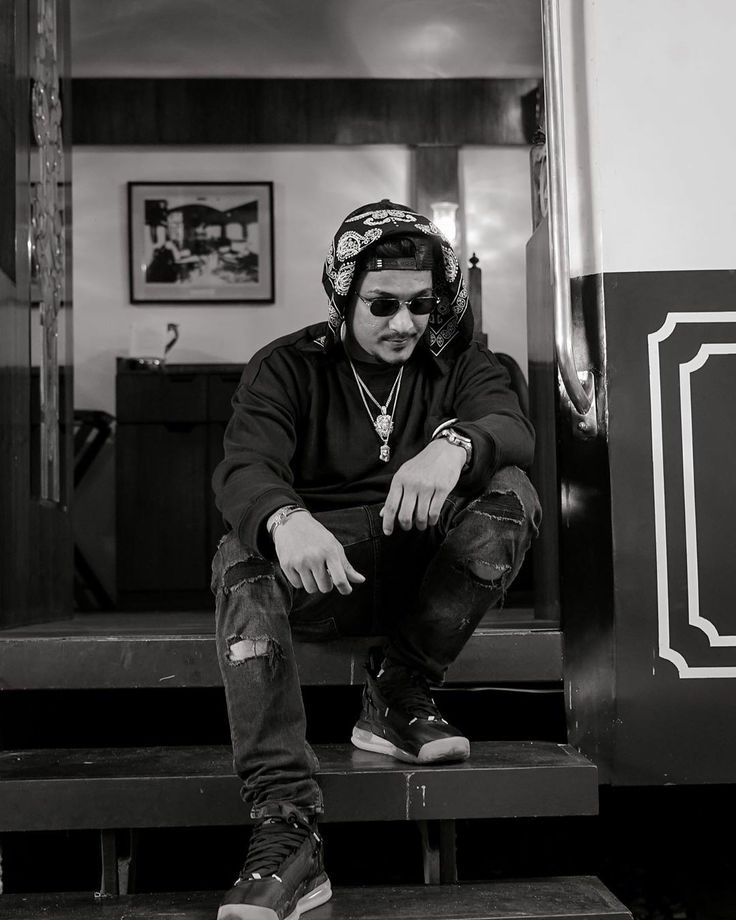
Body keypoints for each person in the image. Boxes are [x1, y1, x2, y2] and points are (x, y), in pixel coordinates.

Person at [210, 199, 541, 920]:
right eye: (382, 303)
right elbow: (243, 468)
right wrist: (286, 518)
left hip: (423, 578)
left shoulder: (460, 362)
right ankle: (285, 824)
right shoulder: (287, 366)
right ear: (342, 292)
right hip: (321, 574)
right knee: (241, 551)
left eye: (421, 304)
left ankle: (397, 690)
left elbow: (511, 428)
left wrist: (454, 446)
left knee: (511, 494)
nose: (404, 323)